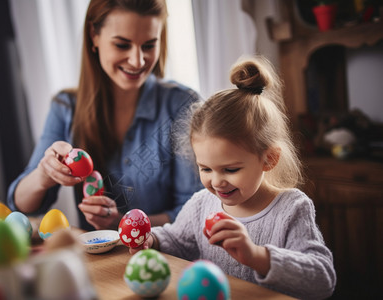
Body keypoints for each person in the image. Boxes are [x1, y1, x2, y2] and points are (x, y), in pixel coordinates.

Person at [130, 55, 336, 299]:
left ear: (269, 159)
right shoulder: (200, 205)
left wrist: (256, 256)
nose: (216, 182)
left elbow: (323, 279)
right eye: (205, 169)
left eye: (230, 170)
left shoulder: (291, 208)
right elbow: (176, 241)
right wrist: (150, 240)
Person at [6, 0, 203, 231]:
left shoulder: (183, 106)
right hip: (97, 262)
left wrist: (123, 223)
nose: (137, 61)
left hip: (166, 259)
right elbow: (21, 207)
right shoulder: (65, 107)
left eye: (149, 45)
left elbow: (194, 212)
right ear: (94, 36)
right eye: (122, 45)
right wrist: (44, 174)